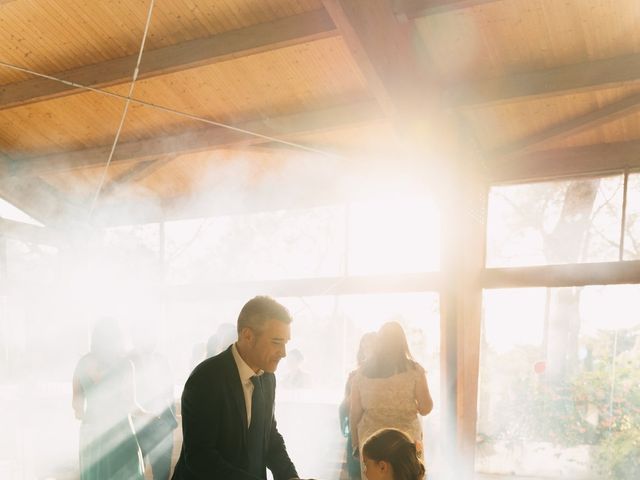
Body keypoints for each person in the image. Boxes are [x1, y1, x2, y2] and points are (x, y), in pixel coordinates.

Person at [171, 296, 313, 480]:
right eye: (276, 342)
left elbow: (269, 436)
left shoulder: (268, 377)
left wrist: (290, 477)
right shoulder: (206, 379)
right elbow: (201, 458)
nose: (284, 353)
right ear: (248, 336)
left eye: (286, 343)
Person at [350, 322, 433, 480]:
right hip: (405, 442)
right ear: (403, 343)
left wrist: (355, 444)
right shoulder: (414, 371)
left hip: (372, 443)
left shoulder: (361, 373)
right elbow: (426, 408)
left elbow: (354, 413)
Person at [72, 317, 145, 480]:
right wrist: (151, 415)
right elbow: (131, 405)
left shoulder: (82, 364)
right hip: (120, 433)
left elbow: (76, 408)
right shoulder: (125, 365)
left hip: (91, 434)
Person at [129, 327, 177, 480]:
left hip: (160, 424)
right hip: (136, 426)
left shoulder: (161, 360)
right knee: (135, 472)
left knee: (162, 473)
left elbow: (169, 390)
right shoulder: (129, 362)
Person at [339, 332, 376, 480]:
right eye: (365, 346)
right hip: (358, 430)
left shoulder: (384, 376)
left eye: (372, 346)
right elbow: (347, 405)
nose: (368, 350)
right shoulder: (354, 375)